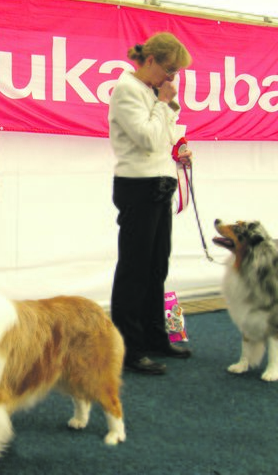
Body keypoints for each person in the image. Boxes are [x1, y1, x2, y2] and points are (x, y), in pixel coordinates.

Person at [108, 32, 192, 376]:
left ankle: (155, 336)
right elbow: (146, 139)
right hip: (137, 184)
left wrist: (178, 140)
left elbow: (166, 136)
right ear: (151, 60)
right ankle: (129, 348)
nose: (171, 79)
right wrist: (163, 102)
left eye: (175, 74)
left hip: (160, 181)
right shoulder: (127, 89)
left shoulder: (152, 92)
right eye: (169, 70)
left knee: (157, 266)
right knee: (134, 270)